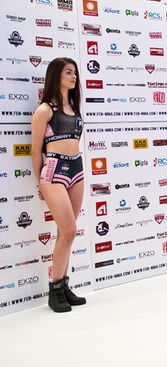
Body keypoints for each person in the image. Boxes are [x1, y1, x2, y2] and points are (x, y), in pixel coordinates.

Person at [31, 57, 86, 313]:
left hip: (76, 168)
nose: (73, 77)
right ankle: (54, 292)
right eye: (68, 72)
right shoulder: (45, 110)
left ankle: (63, 286)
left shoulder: (74, 107)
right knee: (69, 231)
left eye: (75, 73)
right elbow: (35, 151)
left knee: (66, 233)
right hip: (53, 171)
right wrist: (39, 182)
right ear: (56, 75)